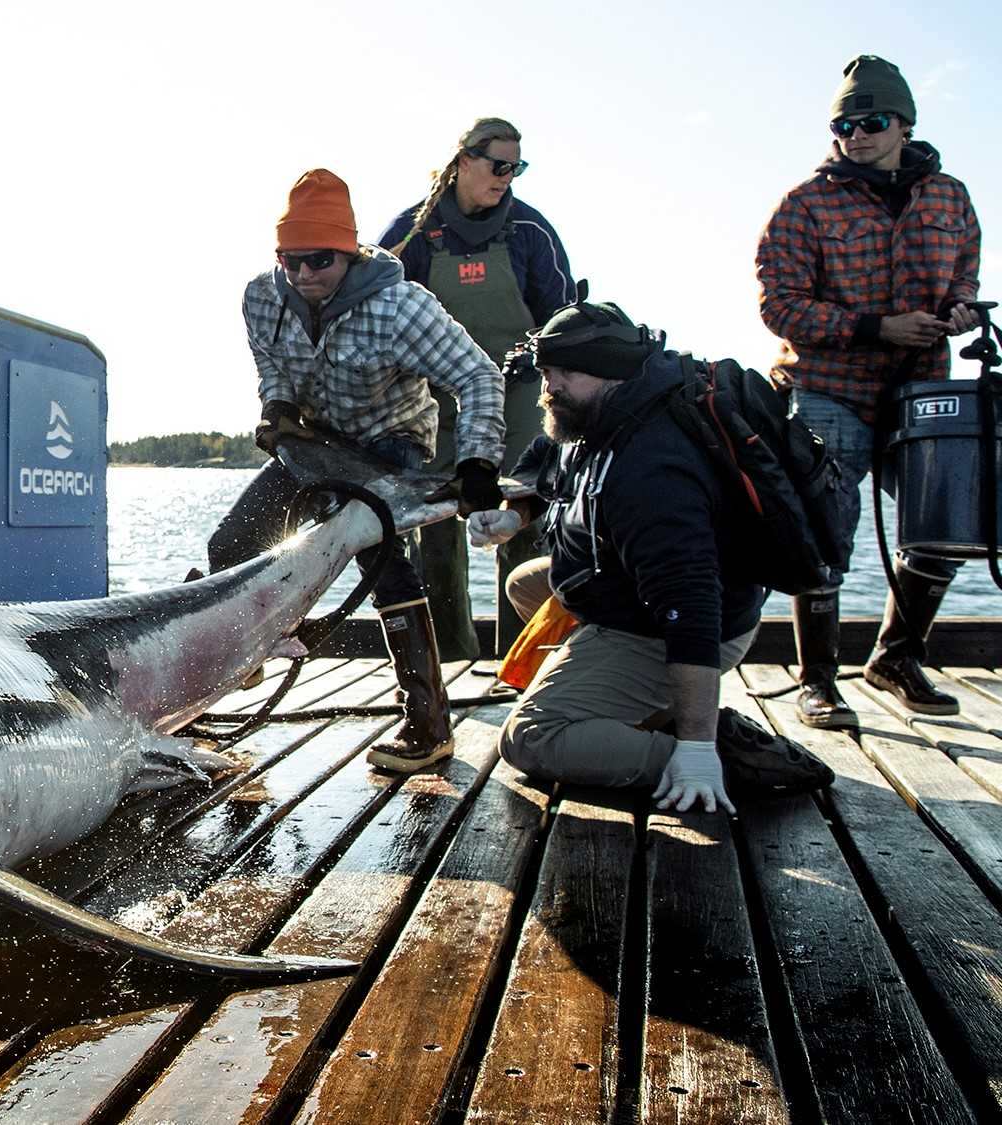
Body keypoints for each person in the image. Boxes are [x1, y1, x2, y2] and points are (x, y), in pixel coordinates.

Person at [206, 168, 509, 773]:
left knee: (382, 561)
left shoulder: (401, 308)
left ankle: (427, 725)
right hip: (315, 437)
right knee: (231, 544)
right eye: (289, 260)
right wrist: (278, 405)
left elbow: (478, 377)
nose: (302, 275)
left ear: (348, 252)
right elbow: (271, 364)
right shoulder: (261, 297)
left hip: (392, 439)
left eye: (318, 261)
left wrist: (478, 462)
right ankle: (243, 654)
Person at [487, 301, 831, 812]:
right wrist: (514, 515)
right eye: (546, 371)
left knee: (531, 735)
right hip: (623, 591)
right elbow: (545, 458)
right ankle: (646, 707)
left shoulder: (651, 471)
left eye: (566, 373)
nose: (550, 386)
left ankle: (715, 756)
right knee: (527, 583)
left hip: (683, 625)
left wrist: (693, 750)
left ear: (610, 372)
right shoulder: (599, 412)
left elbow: (690, 609)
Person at [757, 55, 984, 727]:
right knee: (826, 532)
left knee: (946, 523)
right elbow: (780, 308)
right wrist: (876, 327)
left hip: (923, 390)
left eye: (872, 122)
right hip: (828, 388)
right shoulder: (803, 205)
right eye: (844, 124)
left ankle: (896, 658)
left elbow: (964, 273)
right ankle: (818, 680)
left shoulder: (951, 197)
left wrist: (962, 309)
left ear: (904, 123)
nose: (856, 135)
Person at [380, 119, 578, 663]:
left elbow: (562, 319)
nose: (507, 177)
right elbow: (377, 312)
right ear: (464, 160)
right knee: (437, 533)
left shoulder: (531, 231)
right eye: (498, 165)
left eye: (517, 167)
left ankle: (524, 664)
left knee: (521, 523)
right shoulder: (412, 234)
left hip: (519, 397)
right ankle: (451, 662)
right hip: (433, 401)